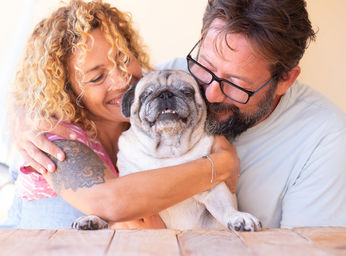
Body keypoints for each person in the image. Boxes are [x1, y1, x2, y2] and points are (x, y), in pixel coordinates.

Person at [10, 0, 346, 228]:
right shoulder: (172, 80)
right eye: (205, 67)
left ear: (285, 79)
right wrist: (24, 115)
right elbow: (83, 95)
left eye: (236, 84)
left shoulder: (325, 139)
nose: (210, 93)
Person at [1, 0, 238, 229]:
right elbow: (112, 204)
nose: (121, 80)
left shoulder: (143, 107)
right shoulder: (54, 135)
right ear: (68, 91)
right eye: (97, 77)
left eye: (123, 59)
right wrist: (220, 164)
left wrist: (217, 144)